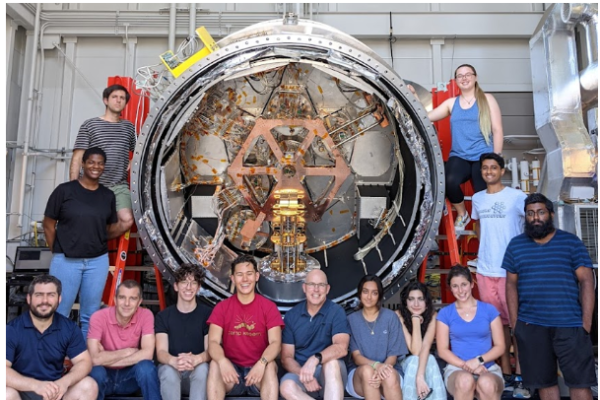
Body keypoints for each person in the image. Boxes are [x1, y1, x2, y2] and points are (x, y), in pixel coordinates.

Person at [503, 193, 596, 400]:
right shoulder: (515, 246)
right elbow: (510, 284)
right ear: (525, 217)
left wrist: (586, 324)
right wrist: (515, 323)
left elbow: (587, 280)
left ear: (550, 214)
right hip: (532, 327)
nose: (535, 217)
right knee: (545, 385)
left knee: (580, 385)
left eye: (541, 212)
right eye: (530, 213)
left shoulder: (571, 243)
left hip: (570, 326)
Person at [411, 64, 504, 233]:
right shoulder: (452, 103)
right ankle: (462, 214)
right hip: (460, 156)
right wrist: (415, 98)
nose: (464, 78)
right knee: (446, 181)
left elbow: (497, 129)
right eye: (460, 76)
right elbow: (426, 117)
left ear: (475, 77)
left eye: (468, 74)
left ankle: (485, 238)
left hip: (483, 156)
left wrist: (496, 159)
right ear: (456, 81)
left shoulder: (487, 99)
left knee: (483, 196)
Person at [43, 147, 118, 340]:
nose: (96, 166)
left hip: (97, 262)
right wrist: (57, 251)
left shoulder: (108, 196)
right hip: (66, 261)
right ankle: (54, 362)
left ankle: (85, 361)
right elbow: (48, 225)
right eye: (91, 162)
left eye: (100, 163)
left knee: (91, 316)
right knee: (59, 312)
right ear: (83, 164)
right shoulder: (64, 191)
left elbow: (108, 227)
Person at [471, 152, 529, 398]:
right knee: (498, 326)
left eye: (494, 167)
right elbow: (477, 225)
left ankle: (524, 375)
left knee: (520, 325)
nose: (489, 172)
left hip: (511, 272)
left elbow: (532, 223)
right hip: (486, 270)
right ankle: (506, 373)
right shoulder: (477, 198)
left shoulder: (517, 197)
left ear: (502, 171)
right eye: (485, 168)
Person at [7, 275, 98, 400]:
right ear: (29, 298)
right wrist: (35, 385)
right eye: (39, 295)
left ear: (59, 299)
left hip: (55, 392)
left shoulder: (68, 328)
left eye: (51, 295)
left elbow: (84, 362)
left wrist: (64, 382)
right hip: (22, 392)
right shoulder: (11, 329)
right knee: (5, 393)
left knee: (89, 385)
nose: (45, 300)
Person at [206, 254, 284, 400]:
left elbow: (276, 343)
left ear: (257, 276)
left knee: (270, 365)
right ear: (233, 279)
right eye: (240, 275)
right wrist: (223, 361)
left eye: (249, 274)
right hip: (232, 372)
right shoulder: (222, 307)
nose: (245, 279)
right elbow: (213, 342)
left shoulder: (268, 307)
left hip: (258, 371)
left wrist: (262, 363)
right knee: (215, 364)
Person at [70, 84, 136, 238]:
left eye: (122, 98)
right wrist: (73, 187)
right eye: (114, 97)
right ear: (106, 100)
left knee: (127, 220)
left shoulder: (129, 128)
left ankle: (97, 239)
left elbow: (138, 151)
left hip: (118, 186)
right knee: (85, 220)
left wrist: (132, 161)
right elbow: (77, 157)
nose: (118, 101)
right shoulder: (90, 125)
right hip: (91, 185)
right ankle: (92, 242)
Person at [280, 269, 351, 400]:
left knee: (332, 364)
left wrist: (314, 360)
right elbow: (286, 358)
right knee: (286, 386)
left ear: (327, 289)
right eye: (312, 284)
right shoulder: (292, 315)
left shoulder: (336, 312)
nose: (316, 289)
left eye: (321, 285)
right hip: (301, 373)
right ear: (304, 287)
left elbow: (341, 347)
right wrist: (305, 375)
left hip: (329, 375)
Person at [436, 266, 505, 400]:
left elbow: (500, 346)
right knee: (465, 380)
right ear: (450, 288)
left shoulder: (489, 310)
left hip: (488, 368)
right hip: (457, 369)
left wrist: (479, 361)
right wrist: (467, 366)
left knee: (487, 383)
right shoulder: (445, 314)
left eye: (464, 285)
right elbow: (442, 350)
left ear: (472, 284)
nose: (460, 290)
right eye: (455, 286)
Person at [87, 280, 160, 400]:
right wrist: (128, 352)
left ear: (139, 302)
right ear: (115, 299)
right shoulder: (98, 317)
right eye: (122, 297)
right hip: (105, 378)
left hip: (130, 378)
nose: (127, 303)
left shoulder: (146, 315)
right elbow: (94, 359)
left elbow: (147, 354)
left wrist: (104, 358)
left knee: (146, 368)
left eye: (132, 298)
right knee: (96, 371)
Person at [155, 263, 212, 400]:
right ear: (176, 286)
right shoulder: (163, 316)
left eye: (193, 283)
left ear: (198, 288)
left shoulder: (207, 314)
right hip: (173, 371)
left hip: (196, 371)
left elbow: (210, 350)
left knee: (203, 369)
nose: (188, 287)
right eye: (184, 282)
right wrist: (174, 361)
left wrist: (196, 359)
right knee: (168, 370)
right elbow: (161, 352)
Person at [346, 275, 406, 400]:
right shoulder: (351, 320)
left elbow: (392, 357)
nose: (369, 297)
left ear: (379, 295)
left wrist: (381, 370)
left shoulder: (390, 318)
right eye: (365, 292)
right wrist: (376, 366)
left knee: (388, 375)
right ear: (359, 293)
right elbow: (357, 358)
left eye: (374, 293)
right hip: (359, 374)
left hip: (389, 370)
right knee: (368, 372)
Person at [396, 281, 445, 400]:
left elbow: (426, 346)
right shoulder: (398, 315)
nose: (416, 303)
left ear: (426, 303)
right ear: (405, 302)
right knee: (414, 360)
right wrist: (416, 320)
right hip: (404, 364)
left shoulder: (433, 316)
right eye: (411, 299)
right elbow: (415, 351)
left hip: (425, 362)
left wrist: (420, 376)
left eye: (420, 299)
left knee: (430, 358)